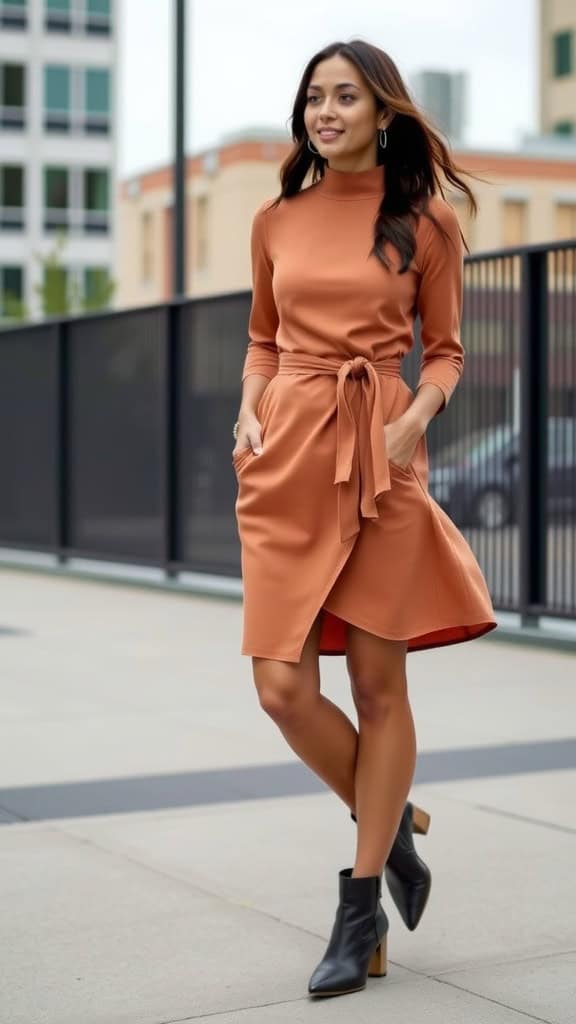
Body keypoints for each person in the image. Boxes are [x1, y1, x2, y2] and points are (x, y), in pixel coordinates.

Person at [232, 38, 497, 999]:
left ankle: (359, 910)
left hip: (381, 454)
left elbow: (450, 355)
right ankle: (392, 829)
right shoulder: (274, 220)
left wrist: (412, 423)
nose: (326, 111)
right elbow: (262, 341)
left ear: (384, 111)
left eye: (345, 96)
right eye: (314, 97)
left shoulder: (424, 222)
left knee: (380, 682)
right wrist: (247, 408)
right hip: (288, 460)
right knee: (281, 687)